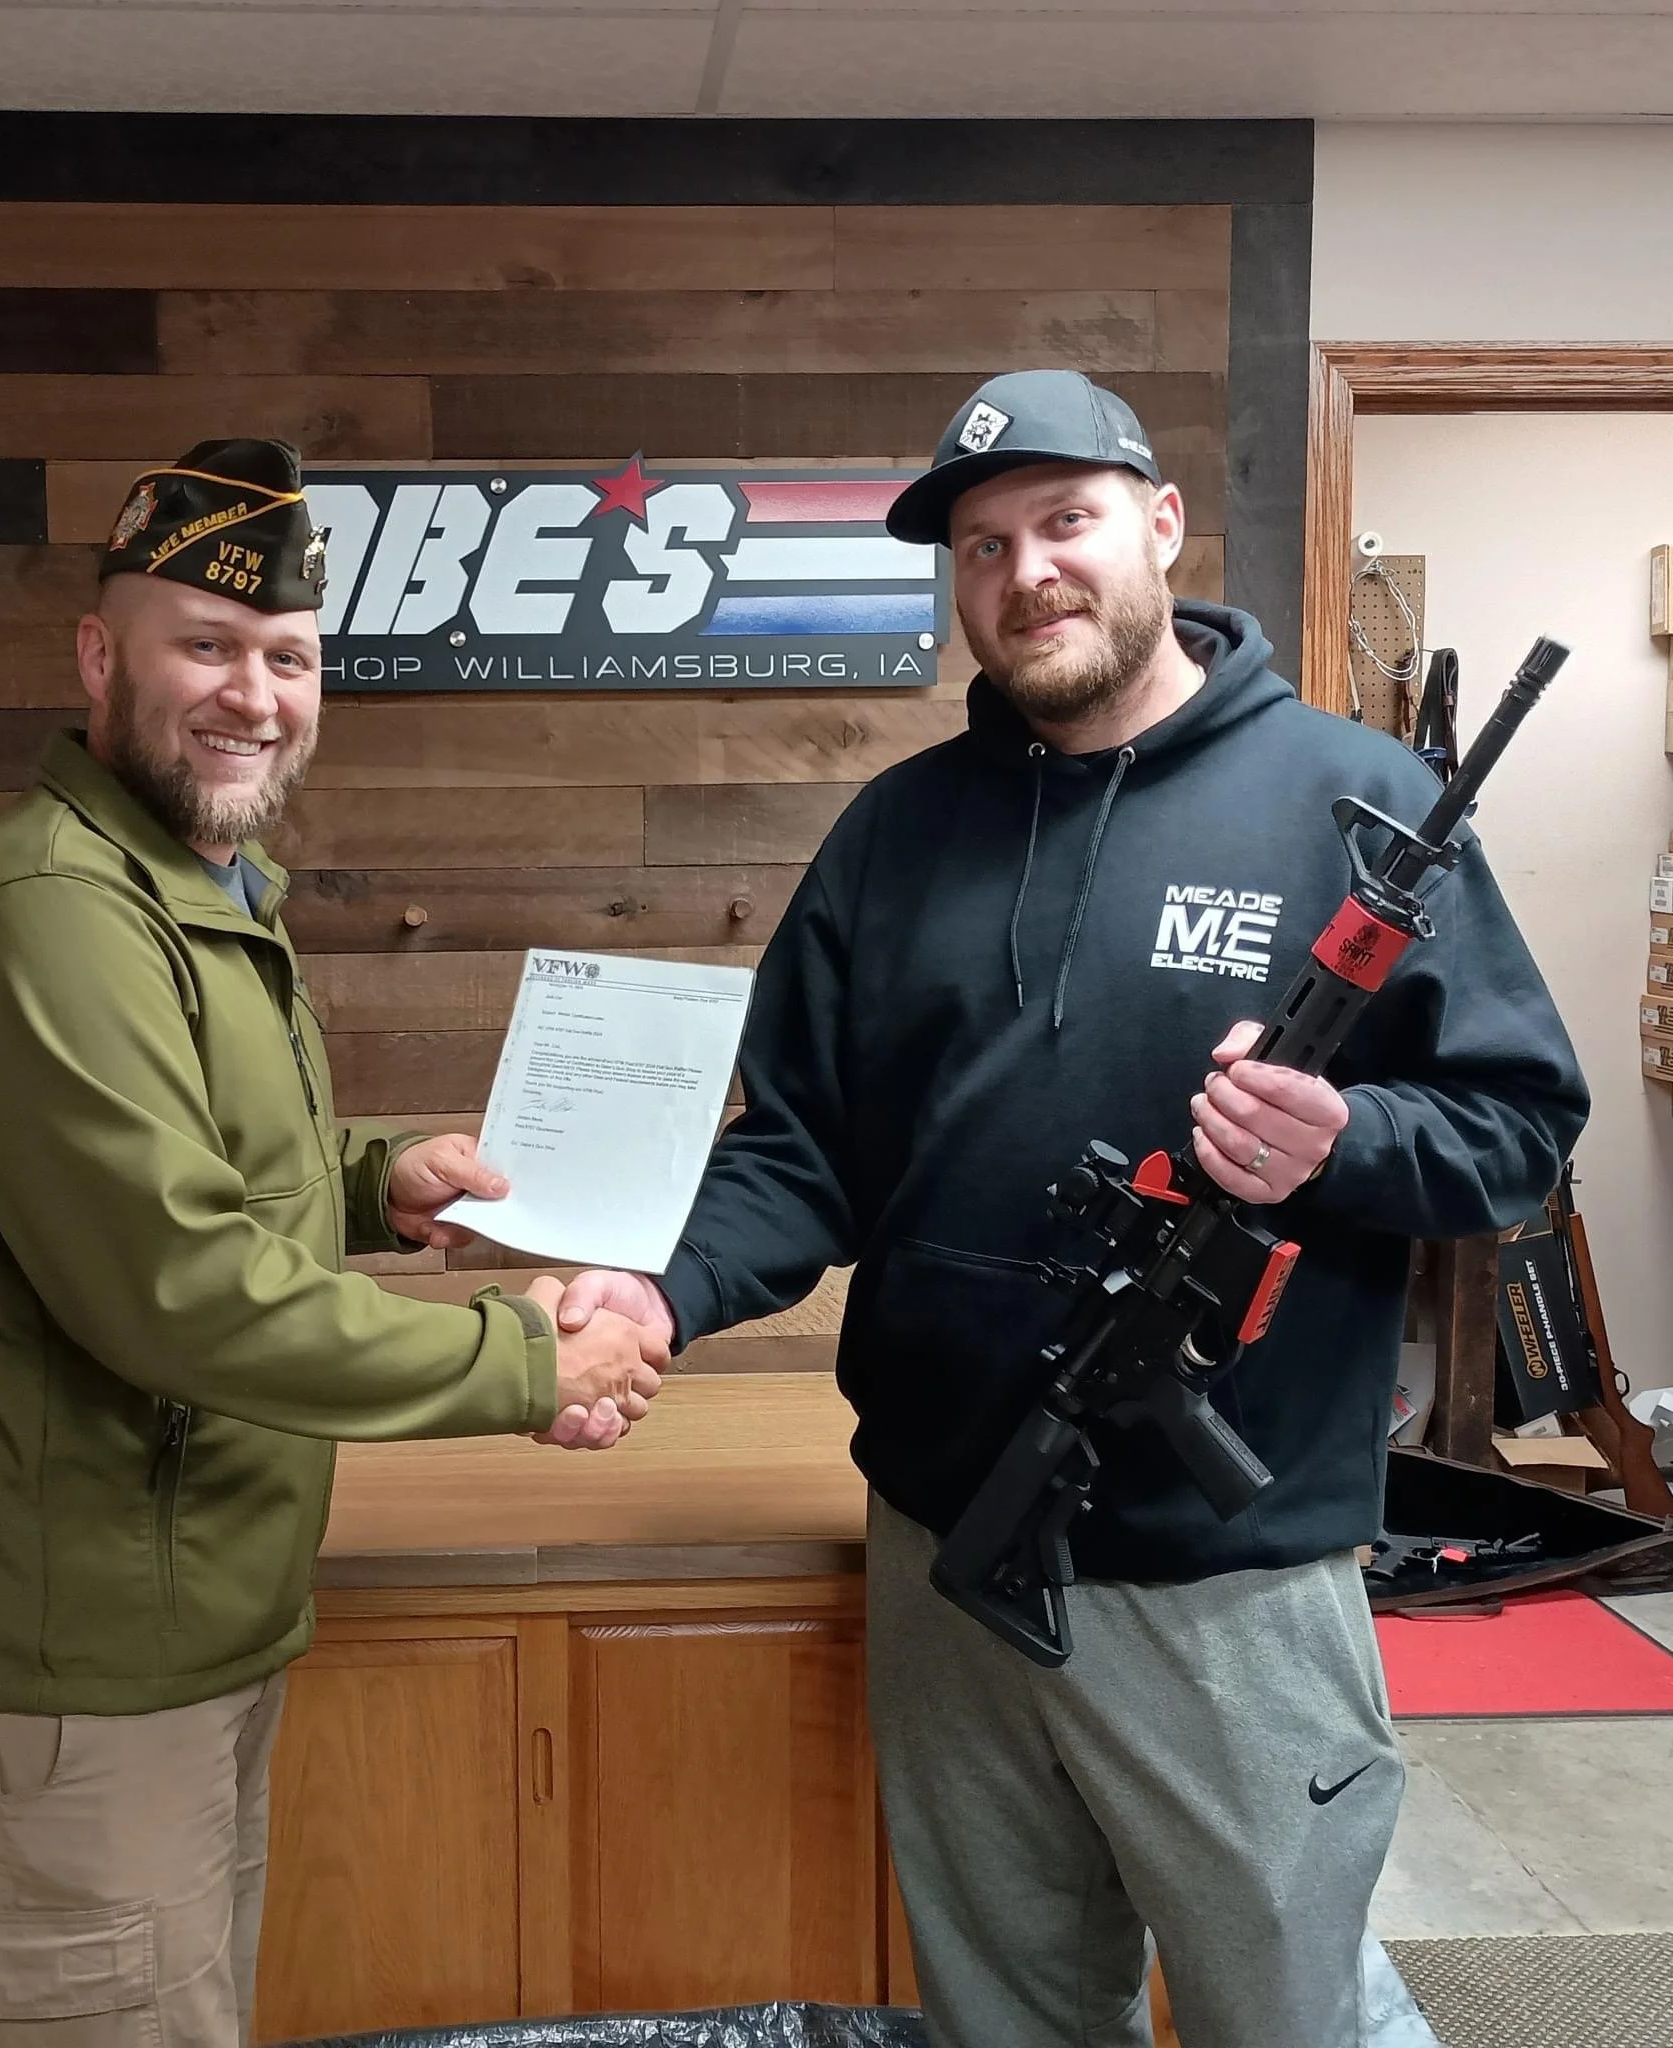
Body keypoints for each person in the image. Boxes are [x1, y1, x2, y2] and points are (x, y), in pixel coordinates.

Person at [558, 371, 1588, 2048]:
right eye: (980, 544)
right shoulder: (893, 838)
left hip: (1229, 1590)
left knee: (1286, 2018)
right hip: (946, 1552)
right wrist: (665, 1290)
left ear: (1159, 529)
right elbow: (799, 1150)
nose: (1023, 571)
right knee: (1006, 2018)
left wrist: (1338, 1139)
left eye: (1064, 522)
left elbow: (1520, 1132)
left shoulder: (1357, 810)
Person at [0, 439, 667, 2048]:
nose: (253, 694)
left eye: (286, 658)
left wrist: (376, 1185)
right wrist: (528, 1358)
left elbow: (195, 1176)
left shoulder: (193, 889)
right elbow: (186, 1294)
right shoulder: (52, 917)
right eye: (203, 647)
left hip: (175, 1639)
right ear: (101, 656)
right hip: (68, 1680)